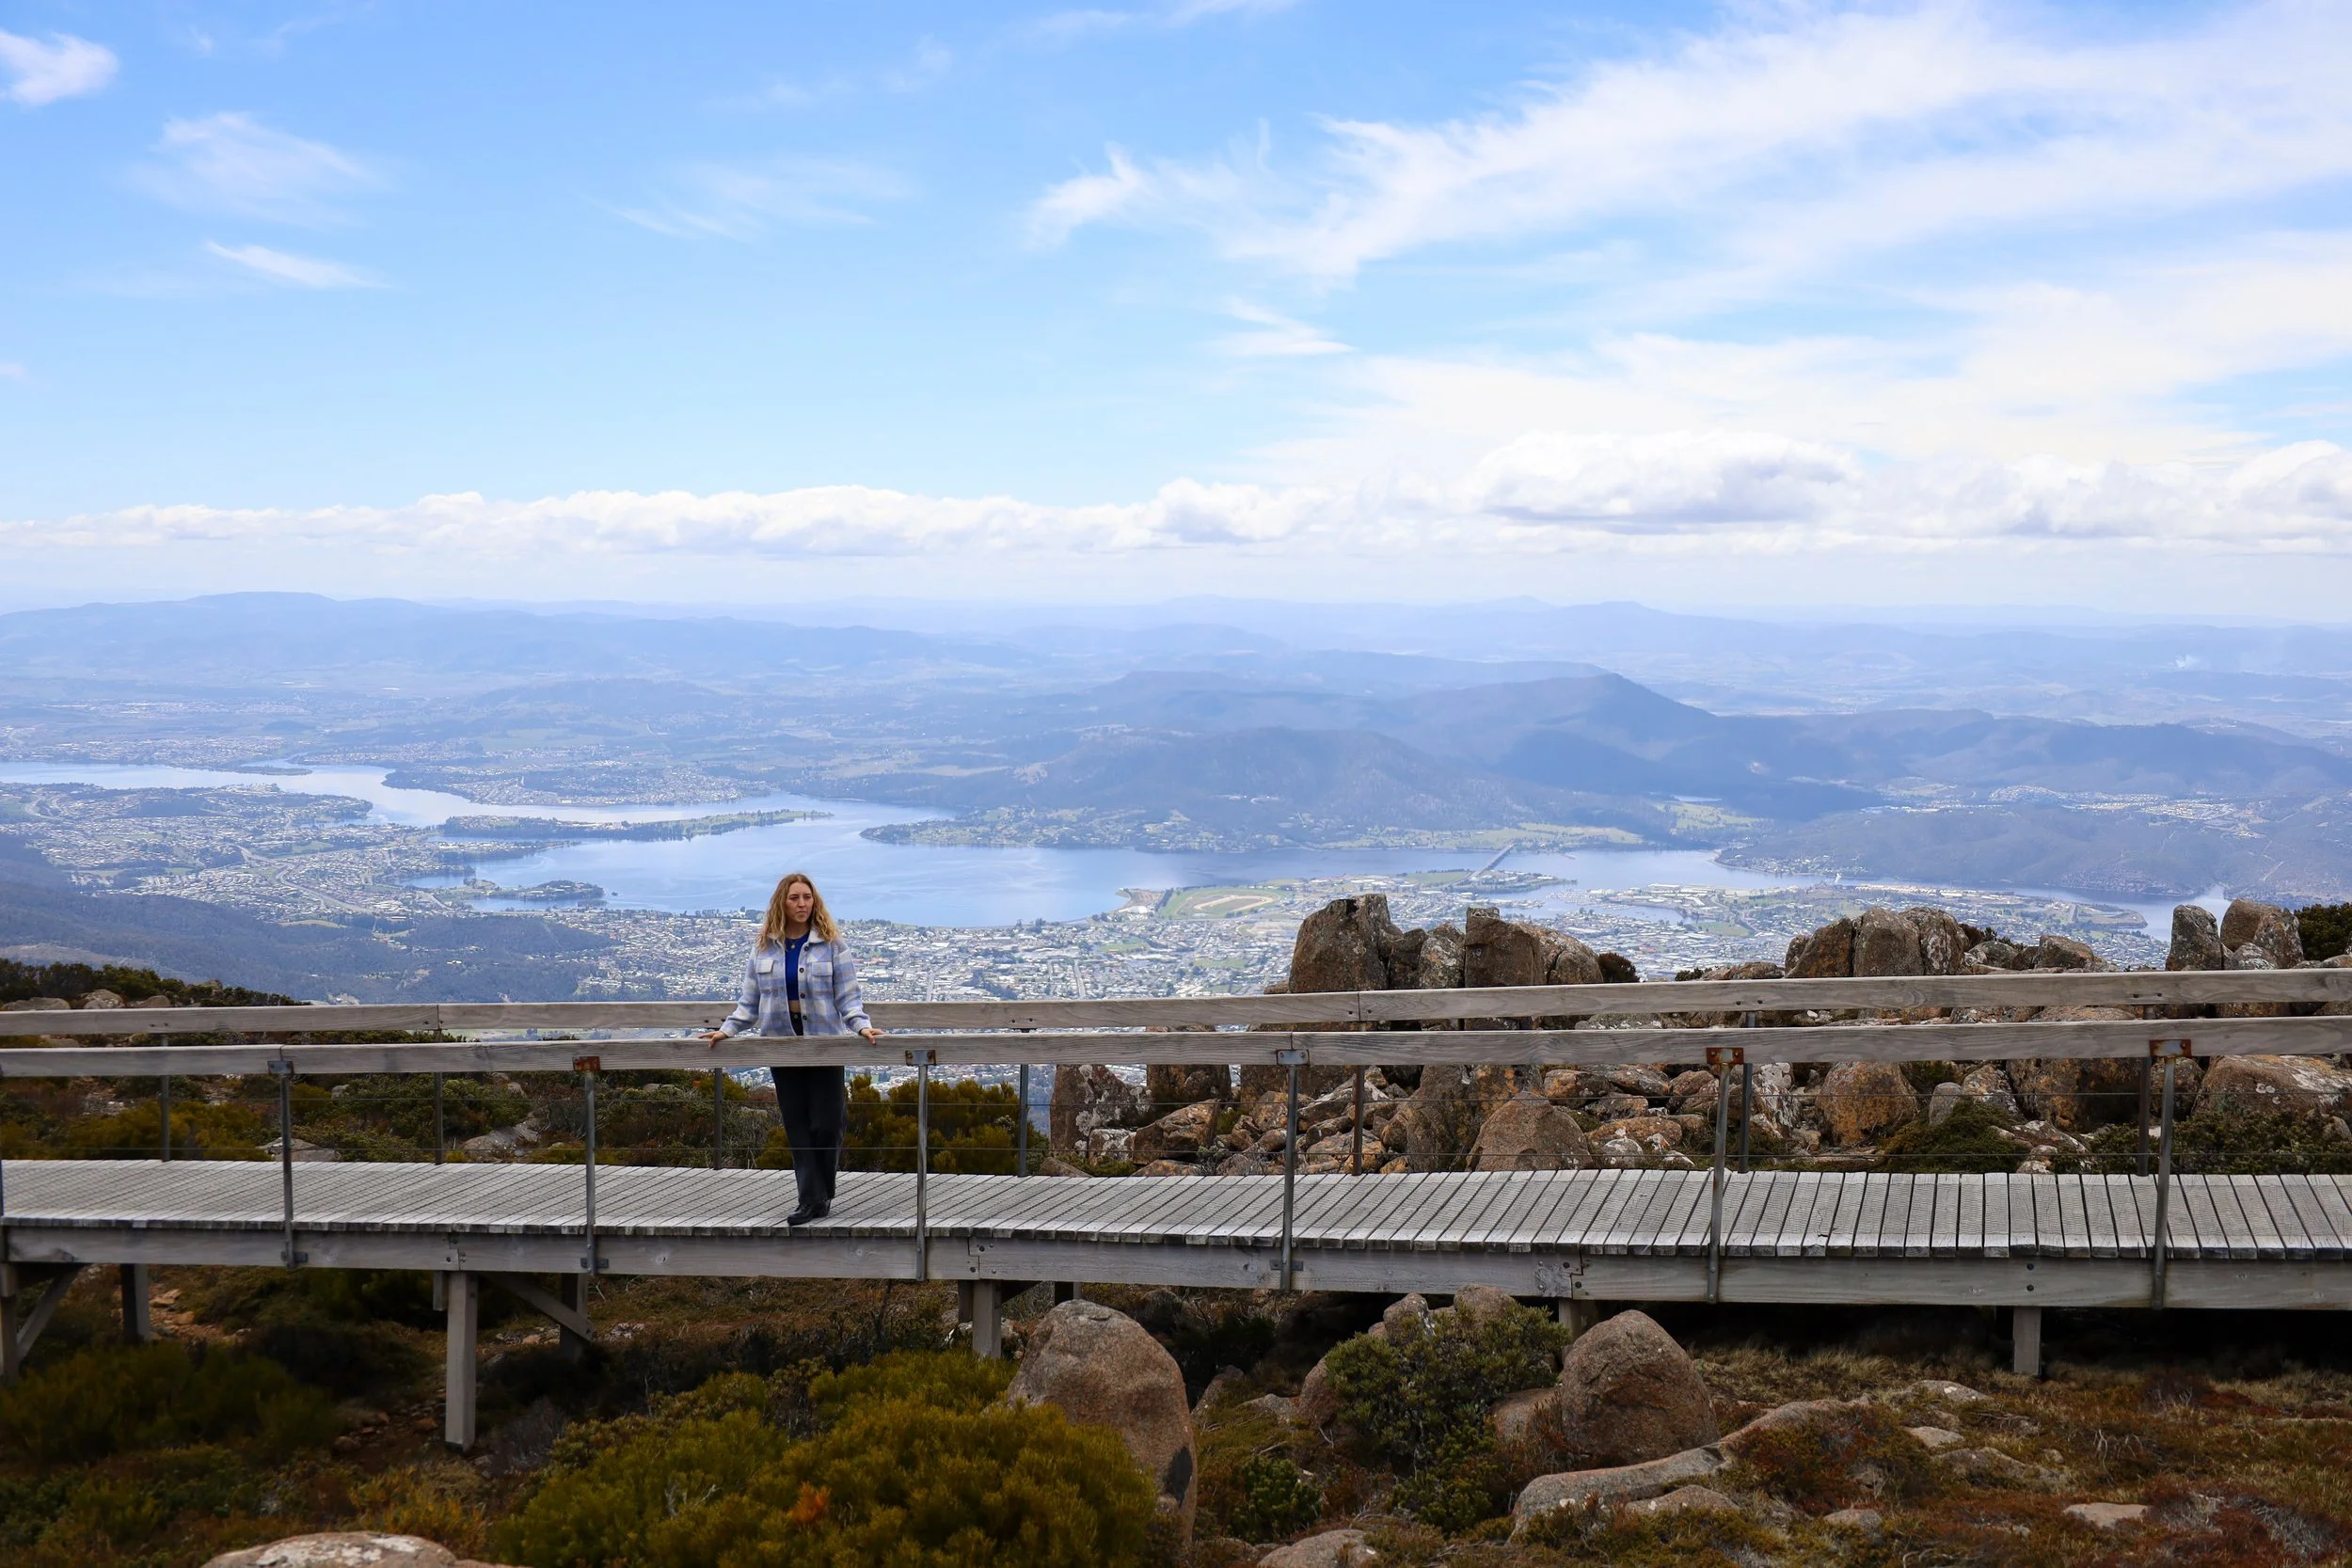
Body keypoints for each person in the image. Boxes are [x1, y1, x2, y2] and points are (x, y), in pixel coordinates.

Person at [706, 872, 882, 1225]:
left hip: (824, 1046)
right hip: (781, 1046)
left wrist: (861, 1025)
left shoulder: (833, 946)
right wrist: (726, 1030)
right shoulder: (763, 947)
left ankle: (822, 1191)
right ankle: (811, 1200)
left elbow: (848, 998)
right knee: (798, 1125)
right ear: (781, 903)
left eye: (807, 897)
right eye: (794, 898)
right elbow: (749, 1002)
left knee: (828, 1122)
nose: (802, 904)